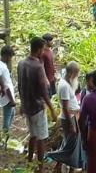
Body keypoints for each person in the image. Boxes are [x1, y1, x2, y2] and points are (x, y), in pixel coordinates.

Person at [18, 37, 57, 173]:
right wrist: (52, 109)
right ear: (39, 49)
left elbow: (20, 85)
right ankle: (39, 167)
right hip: (37, 107)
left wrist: (22, 104)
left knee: (33, 135)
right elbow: (44, 92)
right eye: (42, 49)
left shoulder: (21, 63)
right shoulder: (38, 66)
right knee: (41, 138)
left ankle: (29, 161)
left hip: (27, 107)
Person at [49, 61, 84, 173]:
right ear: (73, 72)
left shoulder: (67, 84)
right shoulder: (64, 86)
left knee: (69, 143)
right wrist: (71, 124)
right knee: (70, 146)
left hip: (72, 117)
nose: (78, 75)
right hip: (69, 118)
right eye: (77, 73)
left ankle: (64, 167)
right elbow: (65, 107)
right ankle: (53, 156)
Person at [0, 46, 15, 149]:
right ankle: (4, 142)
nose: (10, 59)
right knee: (7, 118)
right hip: (7, 98)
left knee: (11, 114)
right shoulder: (2, 67)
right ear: (6, 55)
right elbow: (5, 86)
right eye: (10, 57)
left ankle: (5, 139)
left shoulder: (2, 65)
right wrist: (12, 99)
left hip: (7, 96)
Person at [41, 33, 56, 98]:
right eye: (51, 41)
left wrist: (54, 74)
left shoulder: (50, 51)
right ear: (46, 41)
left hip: (51, 78)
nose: (52, 42)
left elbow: (51, 63)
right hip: (46, 80)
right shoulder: (43, 53)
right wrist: (45, 79)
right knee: (47, 98)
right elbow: (41, 67)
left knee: (51, 96)